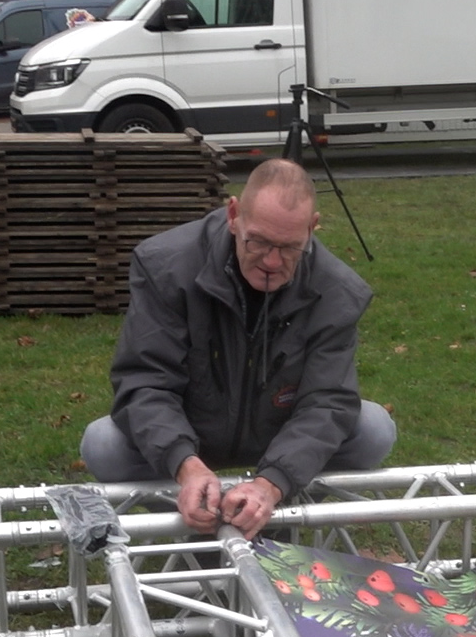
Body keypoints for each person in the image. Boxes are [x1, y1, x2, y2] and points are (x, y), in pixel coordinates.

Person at [81, 158, 396, 537]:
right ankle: (198, 524)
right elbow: (146, 382)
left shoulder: (337, 292)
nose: (272, 261)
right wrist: (186, 466)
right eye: (259, 241)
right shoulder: (166, 268)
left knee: (374, 428)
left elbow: (327, 402)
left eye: (290, 248)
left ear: (312, 229)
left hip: (277, 431)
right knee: (104, 442)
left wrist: (271, 484)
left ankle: (268, 514)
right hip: (192, 429)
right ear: (233, 215)